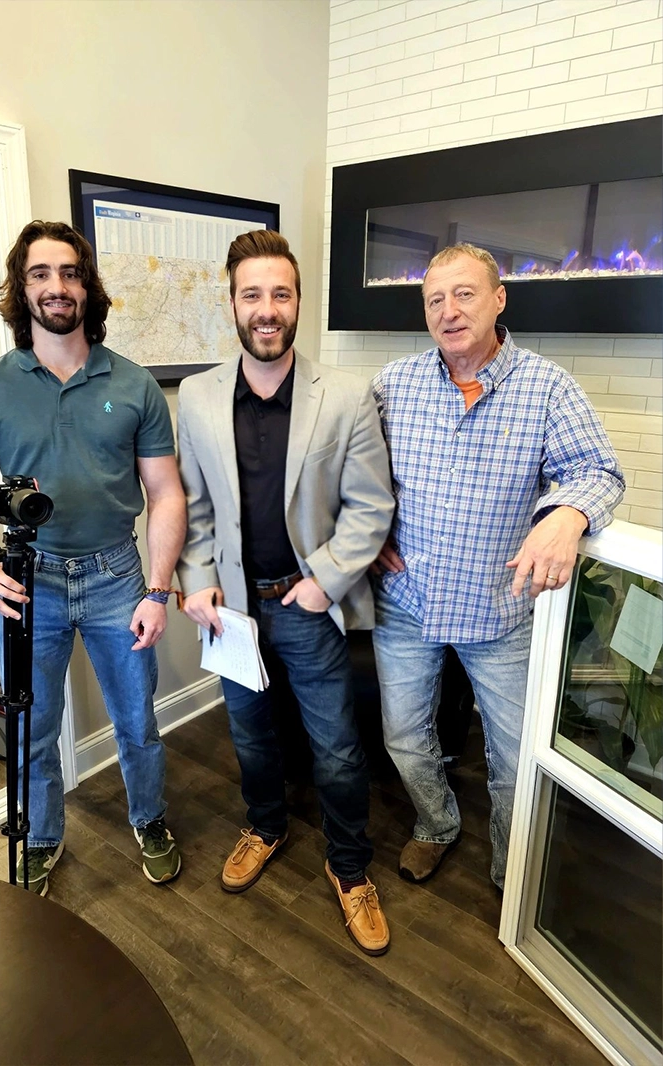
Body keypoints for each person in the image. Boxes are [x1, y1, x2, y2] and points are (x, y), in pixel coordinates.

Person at [0, 220, 186, 896]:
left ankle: (150, 819)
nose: (57, 286)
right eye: (41, 274)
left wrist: (157, 590)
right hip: (28, 584)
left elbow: (165, 493)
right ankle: (42, 836)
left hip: (116, 577)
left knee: (137, 720)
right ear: (22, 289)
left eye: (70, 272)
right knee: (33, 724)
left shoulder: (132, 385)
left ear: (87, 286)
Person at [371, 243, 624, 892]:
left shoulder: (548, 387)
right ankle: (436, 825)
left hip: (500, 610)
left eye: (464, 294)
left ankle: (512, 875)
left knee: (513, 759)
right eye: (435, 299)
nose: (449, 311)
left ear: (498, 297)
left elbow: (597, 471)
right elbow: (349, 473)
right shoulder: (392, 385)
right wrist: (365, 536)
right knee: (403, 736)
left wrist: (568, 516)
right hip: (407, 601)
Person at [176, 230, 395, 956]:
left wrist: (321, 582)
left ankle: (351, 868)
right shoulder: (199, 398)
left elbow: (371, 508)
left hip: (307, 607)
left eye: (280, 294)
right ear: (232, 303)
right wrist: (198, 583)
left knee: (335, 747)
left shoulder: (346, 395)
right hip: (231, 613)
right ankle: (264, 824)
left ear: (297, 302)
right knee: (250, 735)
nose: (266, 309)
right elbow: (195, 506)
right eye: (252, 295)